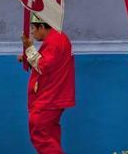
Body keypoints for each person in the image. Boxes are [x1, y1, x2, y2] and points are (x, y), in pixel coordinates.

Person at [18, 13, 75, 153]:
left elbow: (43, 66)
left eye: (33, 28)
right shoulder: (57, 39)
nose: (31, 32)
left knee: (41, 135)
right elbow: (51, 65)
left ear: (42, 27)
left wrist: (30, 49)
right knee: (49, 137)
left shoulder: (54, 41)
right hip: (53, 97)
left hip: (48, 98)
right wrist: (28, 58)